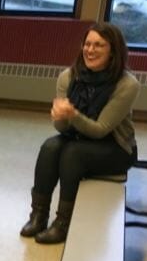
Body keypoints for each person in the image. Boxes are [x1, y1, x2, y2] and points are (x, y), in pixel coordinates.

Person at [21, 22, 139, 244]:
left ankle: (63, 223)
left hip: (115, 147)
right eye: (87, 44)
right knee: (50, 146)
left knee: (73, 153)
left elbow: (101, 130)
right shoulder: (68, 76)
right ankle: (38, 215)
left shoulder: (127, 84)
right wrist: (61, 118)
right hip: (77, 138)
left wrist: (72, 114)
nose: (90, 50)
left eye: (99, 45)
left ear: (113, 51)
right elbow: (61, 130)